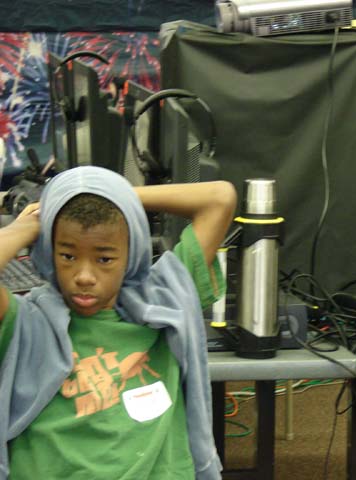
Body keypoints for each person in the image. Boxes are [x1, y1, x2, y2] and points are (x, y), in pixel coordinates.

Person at [0, 166, 237, 479]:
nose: (84, 276)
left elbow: (220, 197)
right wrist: (23, 226)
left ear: (130, 256)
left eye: (104, 259)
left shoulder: (163, 302)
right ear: (49, 252)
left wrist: (108, 195)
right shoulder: (28, 324)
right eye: (68, 256)